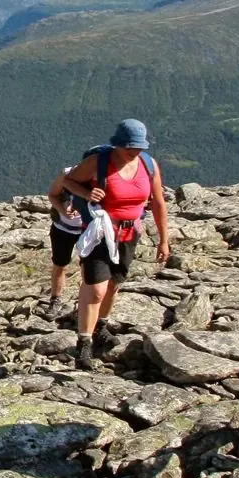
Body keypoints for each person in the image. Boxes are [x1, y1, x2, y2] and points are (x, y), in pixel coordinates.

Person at [57, 119, 170, 368]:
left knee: (114, 285)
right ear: (117, 145)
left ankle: (101, 328)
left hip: (130, 234)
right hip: (99, 232)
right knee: (95, 288)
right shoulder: (99, 163)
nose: (136, 151)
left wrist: (164, 240)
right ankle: (84, 344)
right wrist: (87, 194)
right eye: (131, 147)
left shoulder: (148, 165)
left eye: (140, 147)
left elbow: (159, 202)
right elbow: (67, 180)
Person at [44, 165, 85, 316]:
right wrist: (63, 211)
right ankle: (55, 299)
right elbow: (53, 195)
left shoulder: (103, 179)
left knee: (88, 267)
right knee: (60, 264)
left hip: (88, 230)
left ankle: (86, 304)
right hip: (62, 229)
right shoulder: (67, 174)